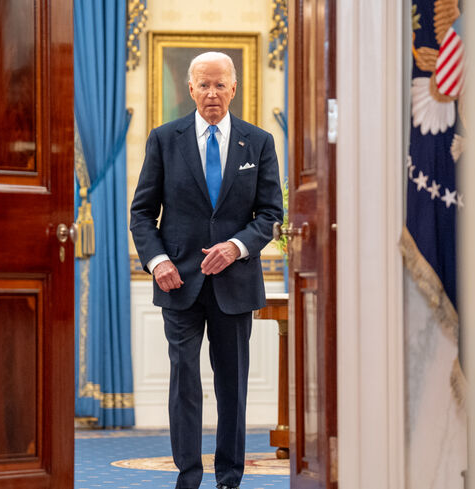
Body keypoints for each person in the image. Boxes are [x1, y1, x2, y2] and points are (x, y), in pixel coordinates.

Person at [130, 51, 284, 489]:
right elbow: (142, 213)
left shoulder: (259, 142)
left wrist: (236, 247)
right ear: (190, 89)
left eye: (221, 84)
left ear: (233, 89)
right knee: (184, 382)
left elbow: (271, 214)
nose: (212, 93)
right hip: (177, 281)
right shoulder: (164, 139)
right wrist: (158, 262)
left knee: (232, 385)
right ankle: (188, 476)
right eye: (204, 84)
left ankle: (229, 478)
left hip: (234, 284)